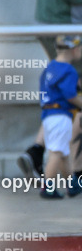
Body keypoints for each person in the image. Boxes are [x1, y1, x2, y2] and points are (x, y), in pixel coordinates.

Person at [20, 0, 82, 179]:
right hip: (63, 27)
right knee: (74, 96)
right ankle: (66, 171)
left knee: (64, 93)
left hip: (56, 25)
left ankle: (36, 153)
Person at [38, 36, 82, 199]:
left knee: (63, 153)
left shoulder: (50, 68)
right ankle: (48, 188)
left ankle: (72, 185)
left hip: (49, 114)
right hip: (60, 114)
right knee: (56, 153)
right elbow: (71, 96)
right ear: (74, 49)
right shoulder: (68, 70)